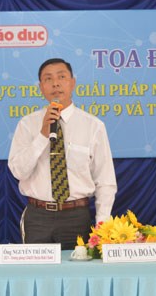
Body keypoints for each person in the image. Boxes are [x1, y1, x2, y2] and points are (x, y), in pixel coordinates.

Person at [8, 58, 117, 249]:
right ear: (41, 87)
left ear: (72, 83)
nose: (55, 83)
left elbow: (105, 180)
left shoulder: (93, 126)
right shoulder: (27, 124)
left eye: (61, 77)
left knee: (77, 268)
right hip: (38, 216)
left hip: (77, 216)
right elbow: (18, 171)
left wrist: (102, 225)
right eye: (48, 79)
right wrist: (42, 135)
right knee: (36, 269)